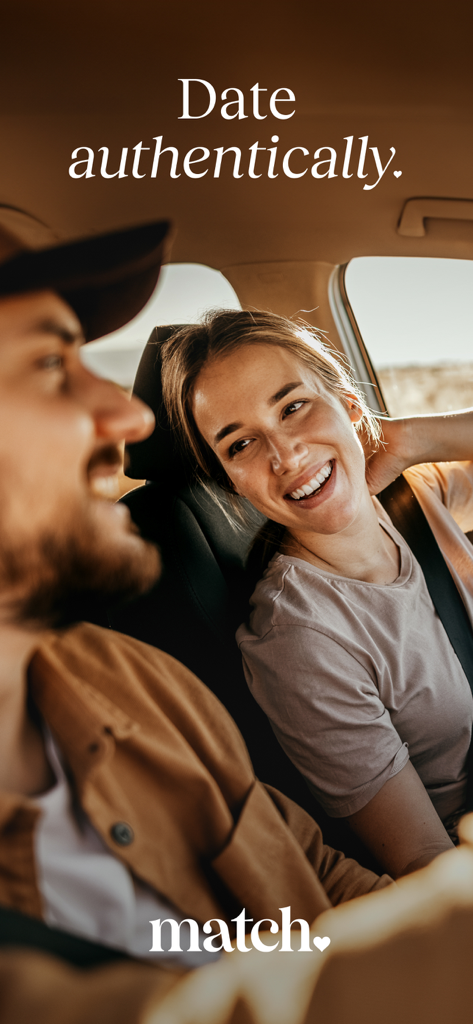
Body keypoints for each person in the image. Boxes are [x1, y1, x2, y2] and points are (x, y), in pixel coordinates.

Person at [0, 216, 393, 1024]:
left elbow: (318, 878)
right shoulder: (294, 629)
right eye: (48, 364)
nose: (129, 419)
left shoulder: (129, 681)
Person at [160, 308, 473, 880]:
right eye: (241, 444)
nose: (286, 456)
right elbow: (423, 864)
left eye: (294, 406)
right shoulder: (298, 641)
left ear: (349, 404)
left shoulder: (415, 497)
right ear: (230, 480)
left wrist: (410, 438)